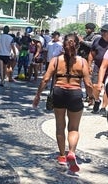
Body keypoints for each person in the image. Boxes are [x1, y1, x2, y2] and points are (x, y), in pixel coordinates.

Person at [32, 33, 94, 173]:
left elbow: (45, 79)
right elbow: (88, 84)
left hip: (59, 92)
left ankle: (61, 156)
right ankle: (71, 152)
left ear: (63, 45)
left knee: (60, 126)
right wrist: (91, 97)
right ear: (77, 45)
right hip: (75, 94)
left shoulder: (55, 60)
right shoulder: (82, 62)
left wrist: (37, 95)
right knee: (73, 128)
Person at [88, 24, 108, 114]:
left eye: (105, 32)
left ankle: (103, 107)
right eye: (102, 31)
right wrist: (89, 65)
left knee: (107, 88)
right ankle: (97, 100)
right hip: (98, 66)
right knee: (95, 87)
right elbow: (92, 54)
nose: (103, 33)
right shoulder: (97, 41)